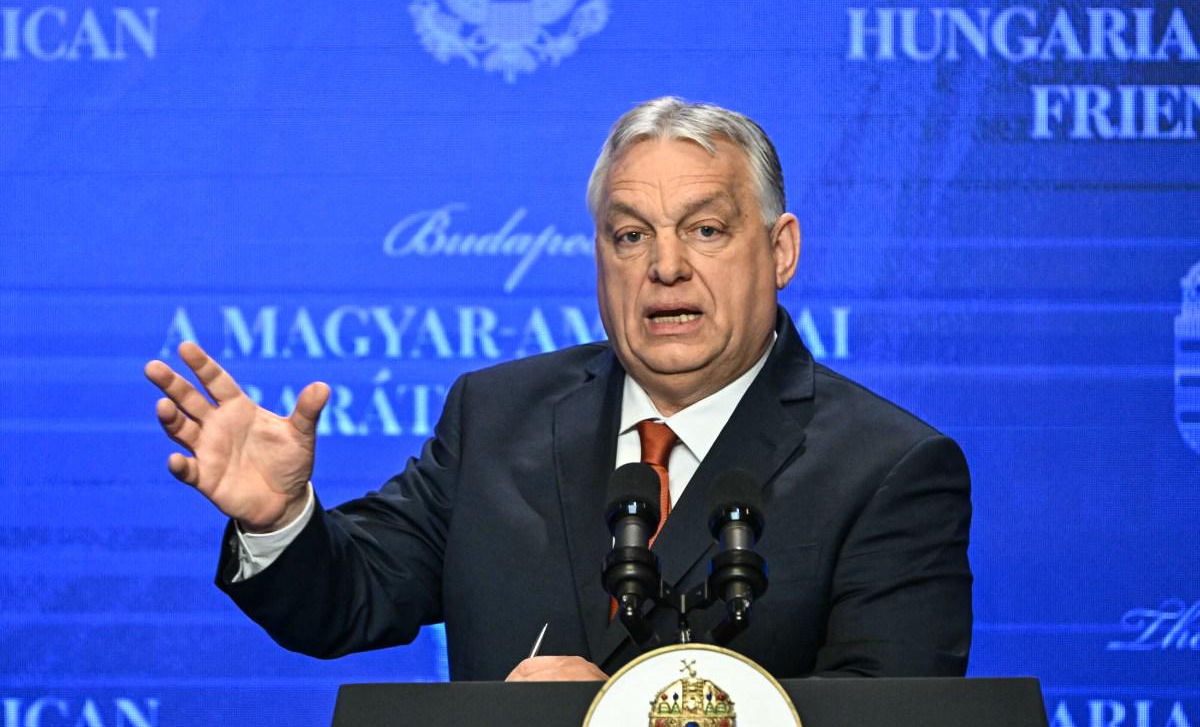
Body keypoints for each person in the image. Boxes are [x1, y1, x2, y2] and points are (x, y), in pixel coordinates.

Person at [144, 97, 972, 683]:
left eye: (706, 229)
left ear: (781, 251)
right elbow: (347, 600)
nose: (666, 266)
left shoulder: (889, 468)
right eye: (630, 235)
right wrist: (280, 520)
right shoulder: (497, 416)